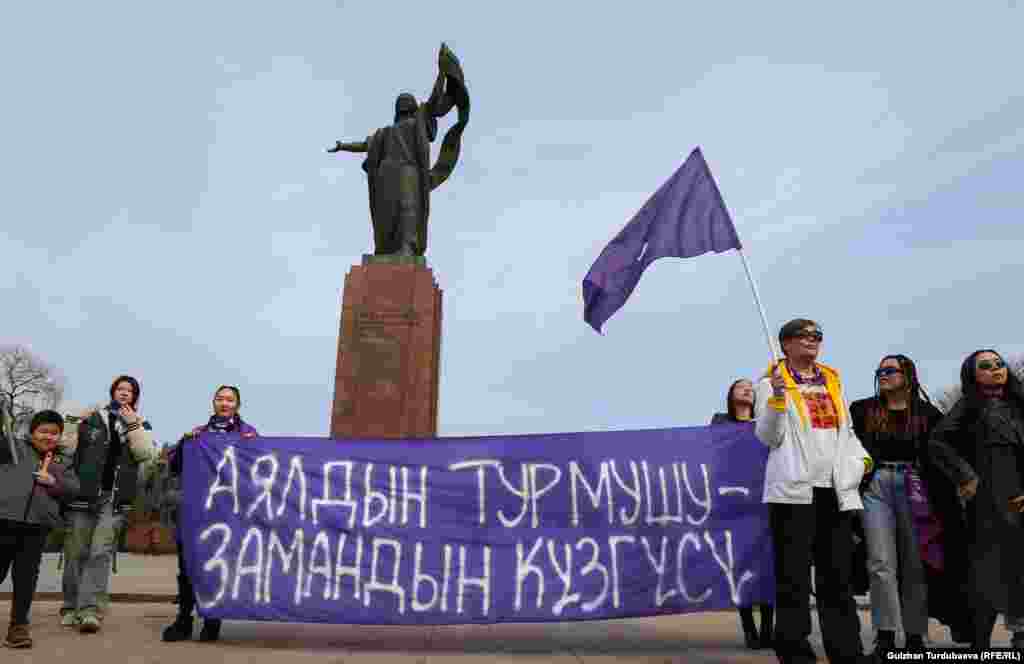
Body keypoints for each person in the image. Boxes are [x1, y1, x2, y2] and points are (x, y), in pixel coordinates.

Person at [754, 319, 872, 664]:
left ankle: (846, 651)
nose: (812, 340)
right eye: (803, 335)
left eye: (817, 336)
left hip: (834, 491)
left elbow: (847, 431)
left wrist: (861, 462)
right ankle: (794, 651)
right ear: (785, 344)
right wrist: (777, 399)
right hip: (793, 493)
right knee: (792, 577)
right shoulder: (770, 383)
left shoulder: (832, 381)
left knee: (837, 576)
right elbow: (768, 437)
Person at [850, 355, 946, 656]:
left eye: (890, 370)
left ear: (907, 375)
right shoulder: (862, 409)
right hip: (876, 485)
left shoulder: (928, 414)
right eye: (880, 370)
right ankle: (886, 636)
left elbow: (941, 454)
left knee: (914, 564)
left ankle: (915, 636)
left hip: (915, 486)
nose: (883, 374)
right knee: (880, 563)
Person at [928, 350, 1024, 650]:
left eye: (999, 364)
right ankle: (979, 638)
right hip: (988, 499)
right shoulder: (968, 406)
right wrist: (965, 477)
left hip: (1020, 495)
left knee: (1019, 568)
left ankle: (1020, 633)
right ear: (973, 375)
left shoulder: (1020, 404)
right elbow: (938, 442)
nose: (996, 369)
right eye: (986, 366)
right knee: (985, 569)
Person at [162, 385, 258, 643]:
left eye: (230, 399)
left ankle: (212, 620)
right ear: (213, 403)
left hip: (225, 513)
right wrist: (184, 443)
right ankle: (183, 619)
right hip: (195, 511)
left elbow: (257, 470)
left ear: (237, 405)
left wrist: (252, 446)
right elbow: (174, 466)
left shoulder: (248, 434)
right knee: (187, 567)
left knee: (216, 566)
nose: (224, 403)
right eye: (220, 398)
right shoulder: (199, 434)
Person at [61, 375, 156, 633]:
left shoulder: (140, 424)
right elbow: (67, 449)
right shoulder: (93, 418)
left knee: (100, 552)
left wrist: (133, 425)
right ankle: (70, 606)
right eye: (120, 389)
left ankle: (90, 610)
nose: (124, 393)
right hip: (83, 495)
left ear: (135, 397)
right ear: (112, 392)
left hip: (113, 499)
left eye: (130, 391)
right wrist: (74, 421)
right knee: (76, 551)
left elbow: (146, 455)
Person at [1, 410, 81, 648]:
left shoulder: (63, 460)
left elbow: (73, 489)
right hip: (4, 520)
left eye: (54, 433)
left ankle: (18, 626)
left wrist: (53, 482)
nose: (48, 436)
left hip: (37, 526)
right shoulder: (13, 447)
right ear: (32, 432)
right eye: (43, 431)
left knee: (26, 578)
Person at [712, 379, 775, 650]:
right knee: (741, 568)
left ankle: (768, 629)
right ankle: (749, 628)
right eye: (741, 386)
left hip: (764, 503)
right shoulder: (720, 424)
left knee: (767, 567)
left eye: (751, 387)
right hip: (734, 506)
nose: (748, 389)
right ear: (731, 395)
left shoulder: (766, 425)